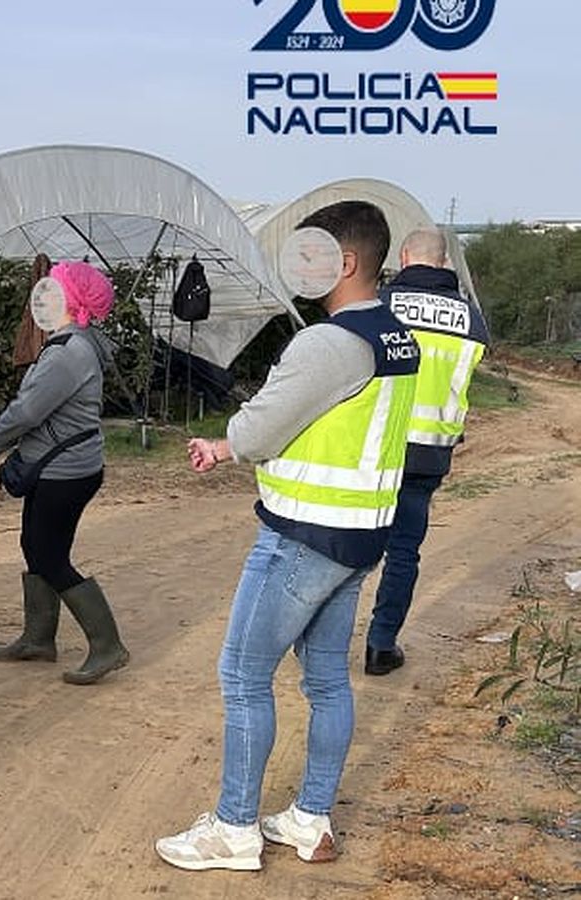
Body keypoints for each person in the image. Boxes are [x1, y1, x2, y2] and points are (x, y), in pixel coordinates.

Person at [156, 201, 419, 872]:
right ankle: (310, 819)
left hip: (304, 534)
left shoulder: (329, 342)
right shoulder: (398, 337)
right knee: (327, 678)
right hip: (362, 534)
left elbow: (264, 424)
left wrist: (226, 444)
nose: (301, 266)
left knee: (243, 674)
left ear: (347, 263)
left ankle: (235, 827)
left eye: (312, 254)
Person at [0, 261, 129, 684]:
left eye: (53, 290)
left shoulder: (68, 352)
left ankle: (107, 645)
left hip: (65, 471)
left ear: (70, 301)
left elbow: (28, 410)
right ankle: (38, 638)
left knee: (49, 555)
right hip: (64, 467)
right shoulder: (74, 344)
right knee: (35, 544)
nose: (43, 297)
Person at [365, 228, 489, 676]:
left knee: (349, 542)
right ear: (443, 264)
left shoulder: (378, 303)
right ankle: (381, 647)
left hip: (373, 446)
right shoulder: (470, 319)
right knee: (403, 551)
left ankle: (317, 644)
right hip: (428, 455)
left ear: (403, 257)